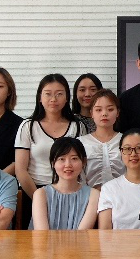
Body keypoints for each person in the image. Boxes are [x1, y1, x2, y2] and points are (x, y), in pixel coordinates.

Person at [15, 74, 87, 226]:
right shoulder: (28, 126)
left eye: (59, 94)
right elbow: (20, 170)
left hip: (69, 191)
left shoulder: (78, 126)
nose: (53, 99)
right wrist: (39, 199)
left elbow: (81, 163)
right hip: (34, 190)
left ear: (67, 98)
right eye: (48, 94)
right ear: (40, 98)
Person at [97, 130, 140, 230]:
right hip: (119, 240)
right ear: (121, 152)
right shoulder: (109, 189)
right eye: (127, 149)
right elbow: (104, 232)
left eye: (139, 148)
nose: (133, 154)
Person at [31, 137, 100, 230]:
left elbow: (82, 233)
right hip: (45, 240)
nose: (68, 165)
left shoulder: (94, 195)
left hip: (80, 240)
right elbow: (42, 234)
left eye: (74, 158)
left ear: (83, 162)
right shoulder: (41, 194)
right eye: (61, 159)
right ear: (53, 163)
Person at [78, 89, 123, 187]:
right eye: (98, 110)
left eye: (110, 109)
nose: (104, 114)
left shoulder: (125, 141)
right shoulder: (81, 143)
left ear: (117, 112)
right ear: (91, 113)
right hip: (89, 195)